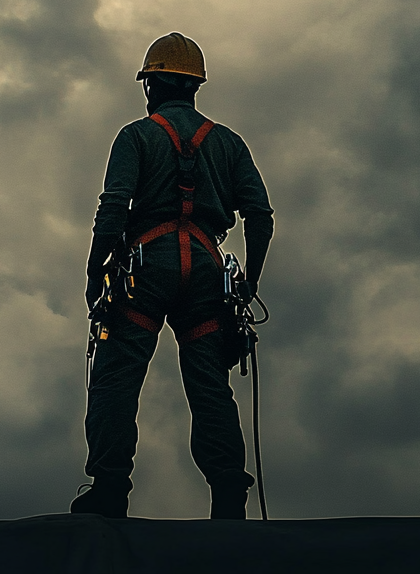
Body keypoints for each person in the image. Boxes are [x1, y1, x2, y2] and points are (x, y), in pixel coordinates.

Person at [70, 32, 274, 520]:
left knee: (117, 377)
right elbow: (260, 217)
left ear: (151, 86)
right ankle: (228, 493)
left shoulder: (136, 136)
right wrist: (250, 284)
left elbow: (114, 205)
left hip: (146, 269)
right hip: (206, 271)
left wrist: (95, 269)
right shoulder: (228, 143)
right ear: (195, 87)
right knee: (209, 385)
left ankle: (110, 489)